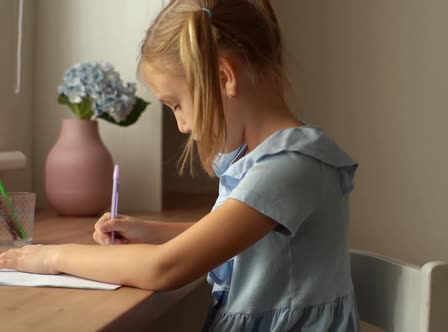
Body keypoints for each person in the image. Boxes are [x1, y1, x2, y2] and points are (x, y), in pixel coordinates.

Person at [0, 0, 360, 330]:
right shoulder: (265, 160)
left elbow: (166, 268)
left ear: (223, 78)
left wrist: (51, 257)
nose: (183, 125)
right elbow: (236, 237)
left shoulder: (290, 166)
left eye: (176, 105)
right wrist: (149, 231)